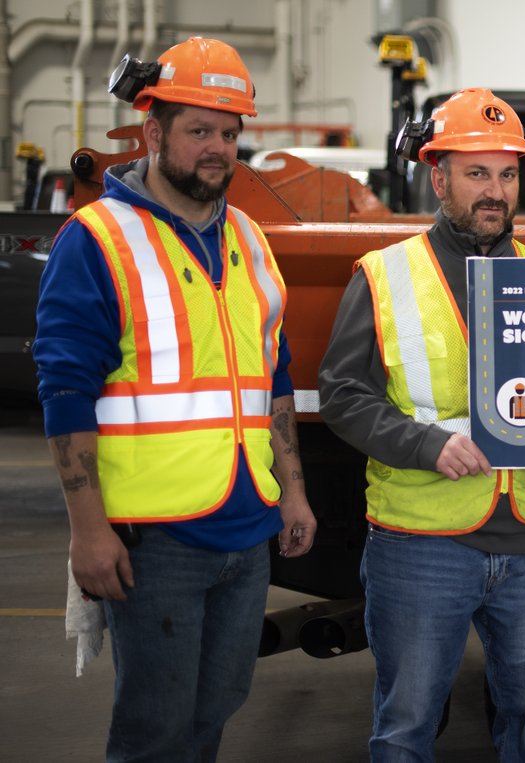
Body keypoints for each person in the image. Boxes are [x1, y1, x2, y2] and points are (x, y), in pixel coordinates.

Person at [34, 37, 317, 762]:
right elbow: (66, 393)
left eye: (229, 133)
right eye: (199, 131)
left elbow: (274, 379)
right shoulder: (97, 239)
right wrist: (87, 531)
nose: (217, 149)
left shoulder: (251, 240)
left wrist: (293, 492)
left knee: (216, 710)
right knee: (154, 730)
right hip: (156, 541)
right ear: (154, 133)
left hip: (247, 528)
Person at [318, 88, 525, 763]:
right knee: (407, 725)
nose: (495, 190)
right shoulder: (386, 275)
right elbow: (341, 393)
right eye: (477, 173)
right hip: (423, 544)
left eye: (507, 173)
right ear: (439, 177)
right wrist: (426, 443)